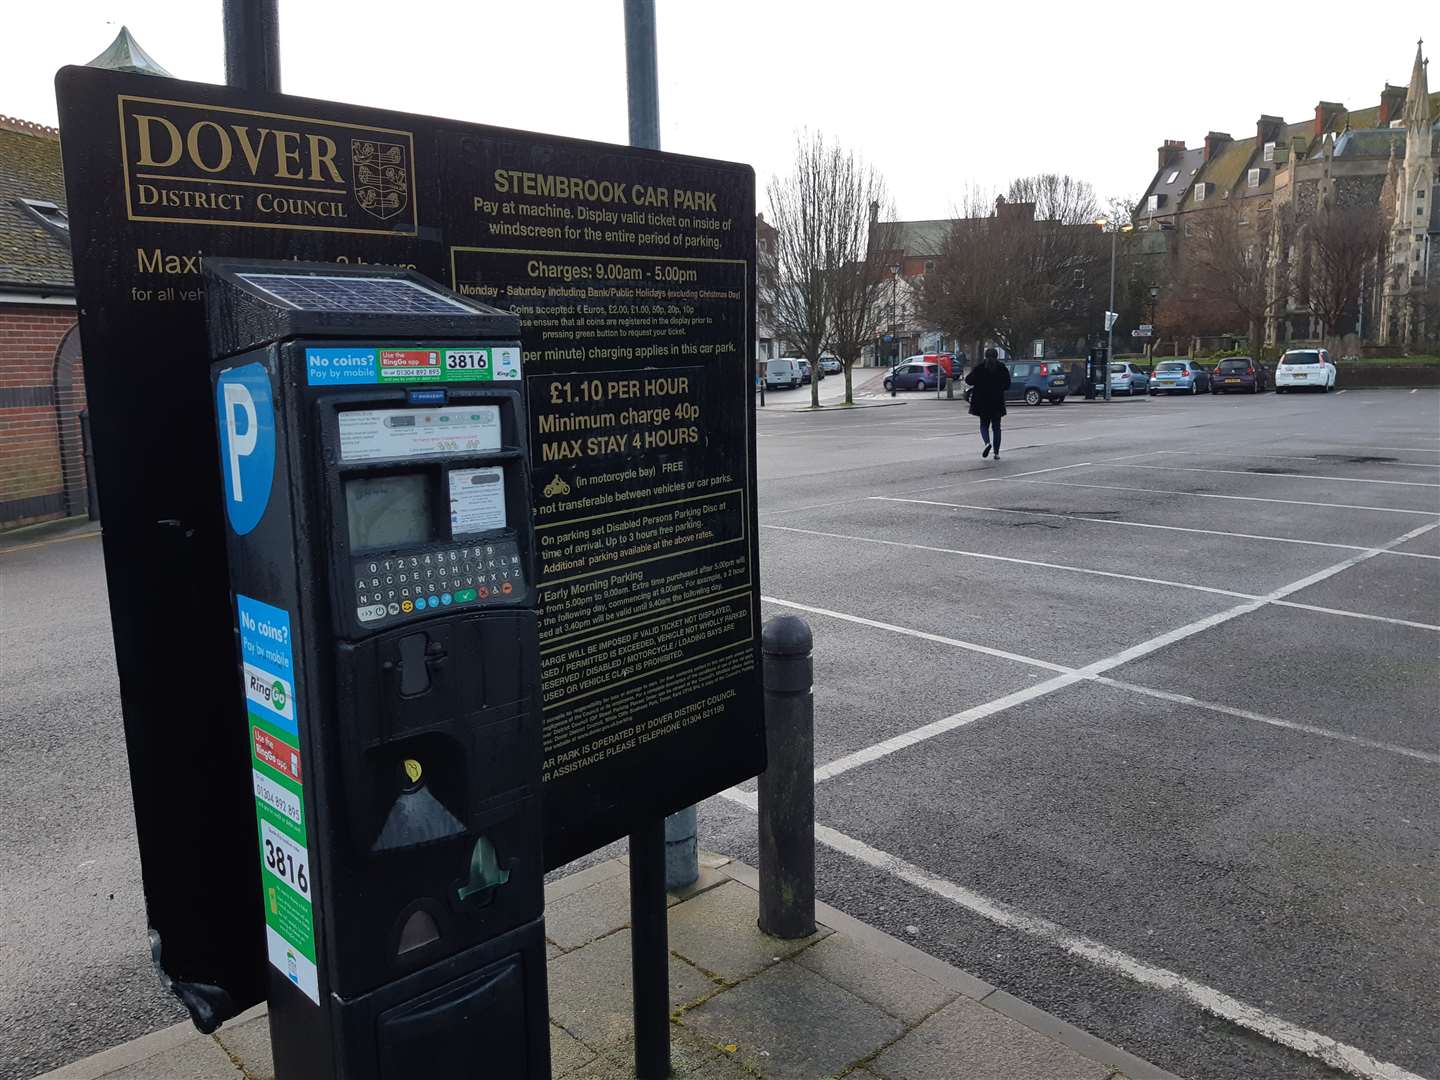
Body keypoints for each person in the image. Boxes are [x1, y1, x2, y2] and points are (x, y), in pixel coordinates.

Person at [965, 348, 1011, 459]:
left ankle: (987, 443)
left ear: (985, 356)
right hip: (997, 402)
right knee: (997, 427)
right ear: (997, 356)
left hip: (982, 402)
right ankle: (996, 453)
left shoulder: (980, 368)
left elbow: (968, 380)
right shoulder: (1001, 368)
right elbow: (1007, 384)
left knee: (984, 425)